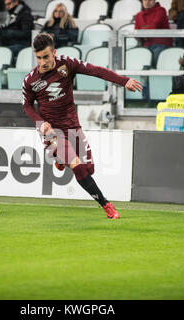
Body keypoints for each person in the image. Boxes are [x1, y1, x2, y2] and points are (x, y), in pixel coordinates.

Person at [22, 33, 142, 219]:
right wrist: (41, 123)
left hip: (72, 126)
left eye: (46, 56)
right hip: (52, 132)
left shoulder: (67, 64)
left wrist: (123, 81)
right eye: (38, 57)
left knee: (89, 170)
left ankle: (60, 160)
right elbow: (27, 105)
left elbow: (96, 71)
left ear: (54, 53)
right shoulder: (30, 80)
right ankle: (106, 205)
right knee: (77, 165)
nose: (43, 62)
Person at [134, 0, 173, 66]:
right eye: (145, 0)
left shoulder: (161, 10)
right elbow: (136, 33)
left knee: (152, 63)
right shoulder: (138, 15)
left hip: (161, 44)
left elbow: (154, 27)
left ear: (154, 0)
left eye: (150, 0)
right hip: (145, 44)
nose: (147, 2)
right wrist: (147, 28)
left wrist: (142, 30)